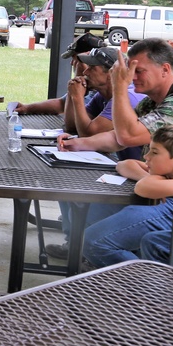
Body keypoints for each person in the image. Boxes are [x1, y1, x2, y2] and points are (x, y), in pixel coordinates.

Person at [45, 45, 147, 259]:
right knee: (66, 187)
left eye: (92, 69)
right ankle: (74, 246)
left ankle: (81, 250)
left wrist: (77, 99)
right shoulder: (101, 95)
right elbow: (72, 128)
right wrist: (75, 99)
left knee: (81, 201)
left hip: (135, 177)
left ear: (111, 72)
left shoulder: (126, 97)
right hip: (118, 168)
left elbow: (88, 132)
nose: (85, 72)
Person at [59, 38, 173, 156]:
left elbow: (128, 136)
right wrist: (75, 143)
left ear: (165, 70)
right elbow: (115, 138)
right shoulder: (150, 102)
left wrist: (119, 86)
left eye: (139, 71)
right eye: (130, 70)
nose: (132, 77)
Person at [82, 125, 173, 268]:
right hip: (168, 210)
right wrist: (151, 178)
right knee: (99, 207)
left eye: (154, 152)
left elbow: (143, 188)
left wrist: (152, 182)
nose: (146, 156)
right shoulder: (168, 174)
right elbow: (124, 164)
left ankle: (148, 284)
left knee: (93, 242)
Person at [13, 32, 103, 117]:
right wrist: (26, 108)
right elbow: (61, 104)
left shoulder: (103, 93)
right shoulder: (90, 88)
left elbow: (73, 123)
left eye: (75, 59)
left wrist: (79, 77)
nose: (72, 63)